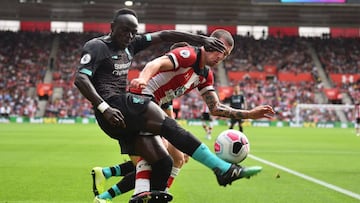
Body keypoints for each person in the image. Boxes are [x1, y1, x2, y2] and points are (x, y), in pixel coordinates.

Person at [74, 8, 265, 203]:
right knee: (169, 133)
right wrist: (106, 106)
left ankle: (127, 195)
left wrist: (250, 113)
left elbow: (164, 35)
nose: (130, 36)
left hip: (128, 113)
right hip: (120, 106)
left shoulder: (132, 44)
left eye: (133, 31)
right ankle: (222, 169)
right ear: (112, 27)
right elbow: (81, 78)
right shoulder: (97, 46)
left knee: (165, 163)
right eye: (124, 30)